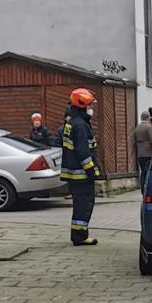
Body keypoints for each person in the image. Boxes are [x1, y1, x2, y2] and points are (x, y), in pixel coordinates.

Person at [61, 88, 100, 246]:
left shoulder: (72, 123)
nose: (92, 109)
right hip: (82, 175)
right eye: (90, 105)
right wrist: (91, 171)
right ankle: (80, 236)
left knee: (79, 204)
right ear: (83, 105)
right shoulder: (81, 126)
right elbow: (83, 152)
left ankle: (78, 234)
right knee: (84, 204)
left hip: (74, 174)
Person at [132, 112, 152, 189]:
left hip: (140, 154)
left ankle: (143, 189)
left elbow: (134, 141)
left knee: (143, 172)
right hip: (148, 153)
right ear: (148, 118)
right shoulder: (149, 127)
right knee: (149, 172)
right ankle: (149, 189)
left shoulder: (137, 128)